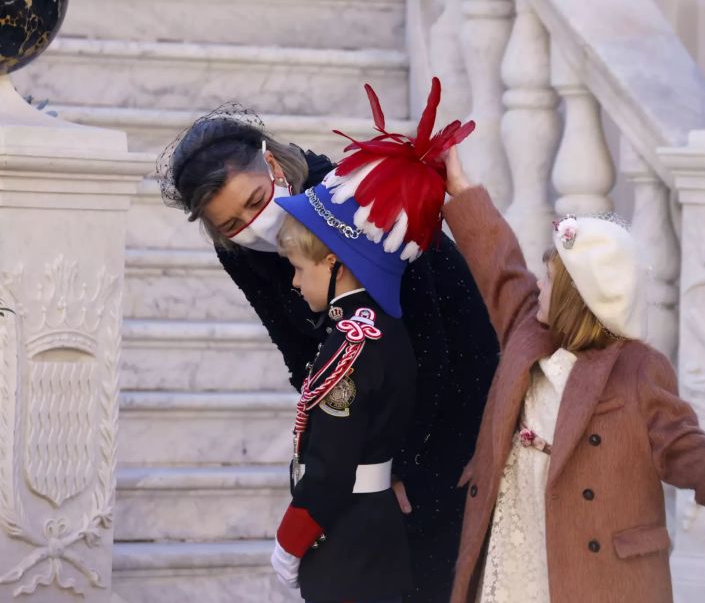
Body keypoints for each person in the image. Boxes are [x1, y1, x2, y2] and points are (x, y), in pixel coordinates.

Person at [157, 93, 499, 600]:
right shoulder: (238, 250)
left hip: (457, 386)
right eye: (230, 224)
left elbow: (430, 341)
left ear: (271, 163)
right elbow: (303, 354)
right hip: (375, 416)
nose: (252, 225)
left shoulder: (348, 198)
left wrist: (406, 466)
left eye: (255, 201)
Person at [439, 148, 705, 603]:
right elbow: (502, 268)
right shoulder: (527, 330)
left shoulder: (638, 370)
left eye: (551, 279)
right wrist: (464, 193)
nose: (539, 286)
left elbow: (680, 446)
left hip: (599, 576)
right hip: (518, 546)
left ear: (581, 298)